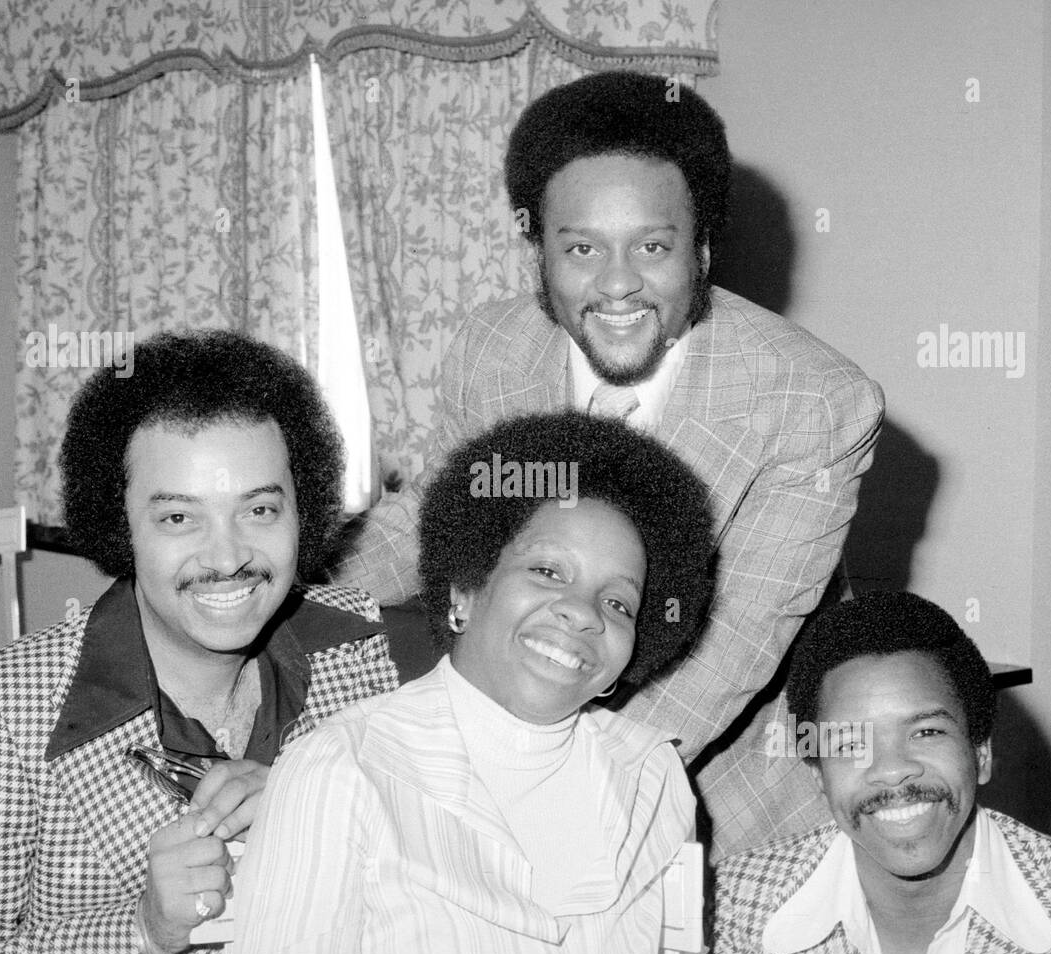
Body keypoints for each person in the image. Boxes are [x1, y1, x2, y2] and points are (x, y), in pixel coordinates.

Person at [329, 71, 885, 859]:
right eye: (581, 248)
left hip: (731, 805)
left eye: (652, 247)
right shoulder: (491, 350)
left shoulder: (813, 401)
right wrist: (290, 590)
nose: (617, 284)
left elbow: (728, 649)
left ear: (703, 247)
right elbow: (435, 517)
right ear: (538, 248)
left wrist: (518, 782)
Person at [0, 330, 400, 954]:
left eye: (260, 509)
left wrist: (325, 816)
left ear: (303, 509)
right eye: (179, 518)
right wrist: (142, 934)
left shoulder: (361, 647)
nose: (228, 557)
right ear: (119, 524)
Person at [234, 410, 716, 954]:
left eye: (617, 603)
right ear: (465, 588)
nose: (583, 614)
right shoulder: (341, 768)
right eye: (549, 572)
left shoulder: (655, 778)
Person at [713, 592, 1051, 954]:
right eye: (849, 744)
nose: (891, 769)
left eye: (926, 732)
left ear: (980, 752)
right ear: (818, 776)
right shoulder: (739, 904)